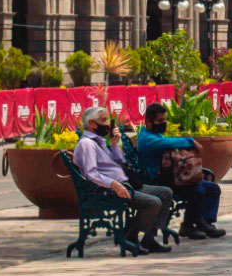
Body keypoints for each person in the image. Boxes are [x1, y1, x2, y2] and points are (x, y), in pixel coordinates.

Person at [73, 105, 175, 254]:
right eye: (104, 120)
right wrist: (114, 184)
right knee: (153, 203)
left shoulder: (100, 141)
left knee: (165, 193)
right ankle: (131, 236)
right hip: (108, 191)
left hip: (126, 185)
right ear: (92, 124)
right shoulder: (87, 144)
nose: (108, 123)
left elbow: (120, 161)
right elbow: (91, 174)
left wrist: (114, 143)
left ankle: (148, 237)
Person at [135, 103, 226, 240]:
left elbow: (167, 141)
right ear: (149, 121)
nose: (163, 123)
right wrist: (191, 141)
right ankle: (188, 227)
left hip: (173, 177)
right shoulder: (146, 139)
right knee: (198, 191)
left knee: (213, 188)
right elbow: (168, 143)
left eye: (165, 120)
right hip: (159, 181)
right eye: (160, 121)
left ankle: (205, 223)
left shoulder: (156, 135)